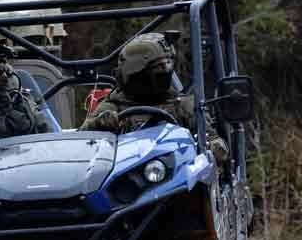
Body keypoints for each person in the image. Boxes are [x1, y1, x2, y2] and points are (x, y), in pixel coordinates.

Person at [80, 33, 229, 162]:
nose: (166, 71)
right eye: (159, 67)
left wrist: (214, 146)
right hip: (126, 180)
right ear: (138, 74)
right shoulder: (113, 106)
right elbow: (82, 141)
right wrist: (99, 123)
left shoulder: (182, 105)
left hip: (178, 180)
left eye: (167, 64)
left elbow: (212, 141)